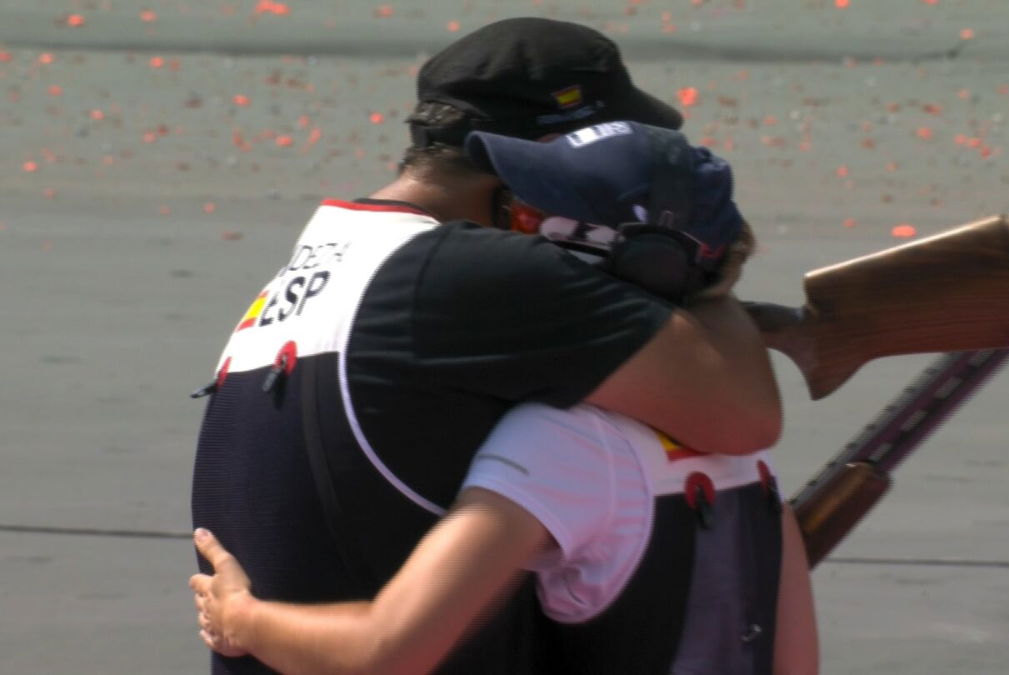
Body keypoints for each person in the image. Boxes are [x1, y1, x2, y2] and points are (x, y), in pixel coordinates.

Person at [190, 18, 781, 675]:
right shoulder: (475, 273)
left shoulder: (315, 270)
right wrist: (701, 273)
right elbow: (745, 415)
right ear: (552, 154)